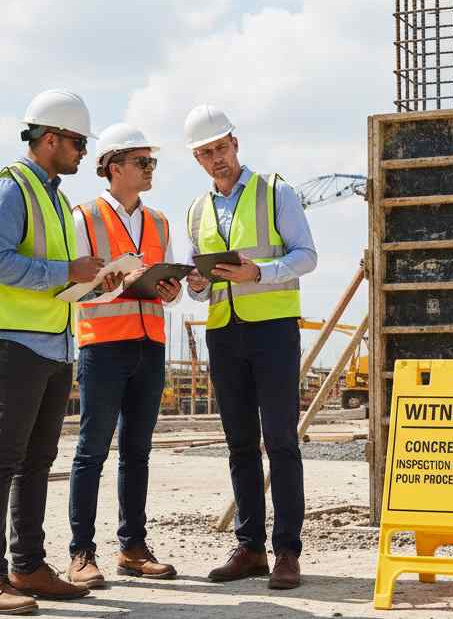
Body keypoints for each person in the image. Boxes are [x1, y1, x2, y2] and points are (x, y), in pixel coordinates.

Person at [0, 89, 100, 614]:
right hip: (13, 341)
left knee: (39, 460)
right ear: (50, 139)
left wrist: (95, 278)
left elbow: (55, 272)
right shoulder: (9, 189)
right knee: (2, 460)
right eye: (78, 142)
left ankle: (28, 566)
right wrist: (68, 272)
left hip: (54, 341)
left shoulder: (57, 197)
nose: (83, 152)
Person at [182, 104, 317, 589]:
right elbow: (199, 285)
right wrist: (196, 283)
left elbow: (307, 256)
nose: (216, 159)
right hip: (224, 330)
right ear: (197, 159)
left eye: (221, 148)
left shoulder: (275, 190)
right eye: (205, 153)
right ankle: (250, 547)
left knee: (280, 441)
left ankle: (287, 551)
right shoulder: (196, 210)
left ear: (235, 144)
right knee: (239, 443)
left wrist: (259, 272)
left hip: (273, 330)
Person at [66, 123, 181, 589]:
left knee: (138, 452)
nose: (150, 169)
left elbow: (167, 292)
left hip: (149, 347)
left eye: (152, 162)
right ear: (115, 168)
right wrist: (107, 286)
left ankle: (133, 547)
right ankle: (81, 553)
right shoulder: (85, 217)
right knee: (91, 451)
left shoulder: (159, 222)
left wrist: (170, 291)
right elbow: (71, 291)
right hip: (103, 347)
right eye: (143, 162)